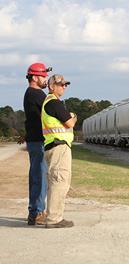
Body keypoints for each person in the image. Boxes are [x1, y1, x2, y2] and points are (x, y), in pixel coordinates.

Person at [41, 74, 77, 229]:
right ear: (51, 86)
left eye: (65, 84)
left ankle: (54, 215)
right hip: (59, 147)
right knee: (59, 181)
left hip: (53, 147)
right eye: (60, 84)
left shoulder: (50, 103)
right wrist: (74, 117)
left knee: (56, 181)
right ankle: (54, 218)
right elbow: (70, 123)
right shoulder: (54, 103)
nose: (64, 86)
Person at [23, 62, 51, 225]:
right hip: (39, 141)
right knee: (39, 177)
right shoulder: (37, 94)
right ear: (34, 77)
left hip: (34, 140)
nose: (45, 79)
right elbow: (52, 111)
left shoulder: (29, 93)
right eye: (43, 76)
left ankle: (35, 211)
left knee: (36, 176)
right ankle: (37, 212)